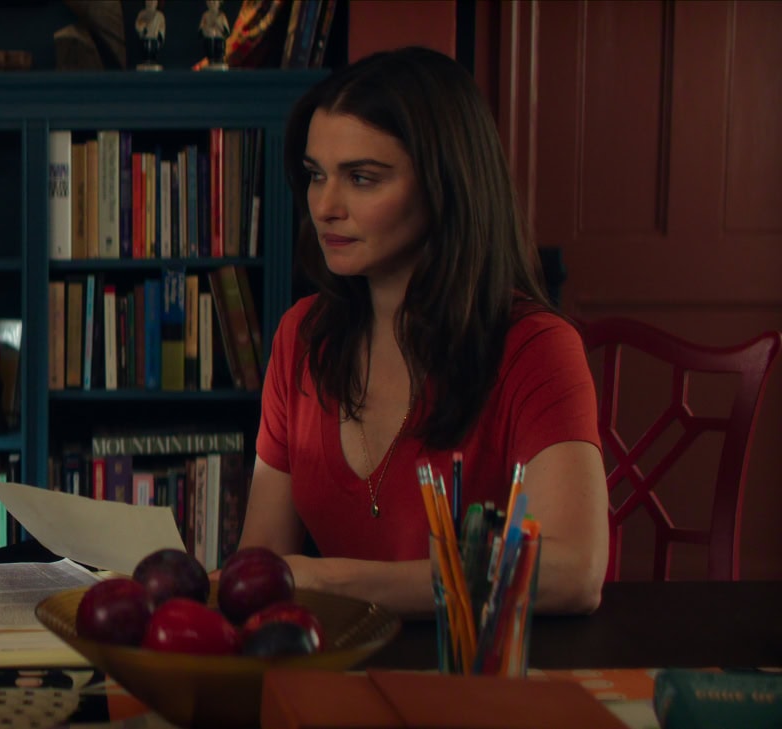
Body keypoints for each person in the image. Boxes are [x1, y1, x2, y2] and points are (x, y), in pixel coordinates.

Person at [236, 47, 608, 616]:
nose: (325, 206)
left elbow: (573, 571)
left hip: (487, 665)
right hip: (343, 660)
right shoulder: (302, 337)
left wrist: (334, 582)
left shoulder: (534, 345)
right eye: (316, 175)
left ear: (444, 185)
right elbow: (262, 558)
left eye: (362, 178)